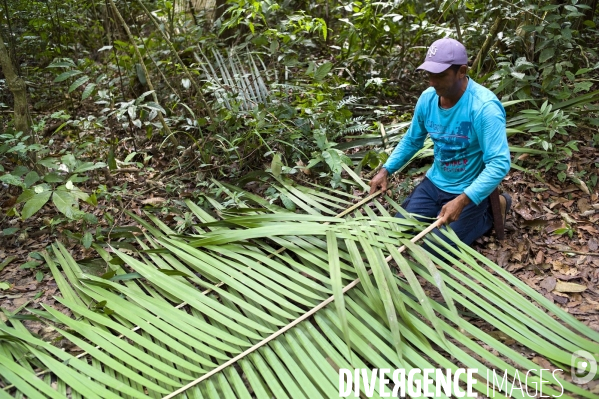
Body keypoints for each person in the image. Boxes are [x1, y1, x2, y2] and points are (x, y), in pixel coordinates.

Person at [369, 37, 512, 251]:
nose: (432, 82)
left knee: (434, 248)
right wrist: (386, 170)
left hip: (467, 189)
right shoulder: (428, 99)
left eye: (440, 75)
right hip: (435, 183)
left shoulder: (484, 108)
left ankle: (494, 210)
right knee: (396, 232)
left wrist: (463, 200)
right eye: (429, 75)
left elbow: (499, 163)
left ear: (461, 71)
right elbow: (412, 139)